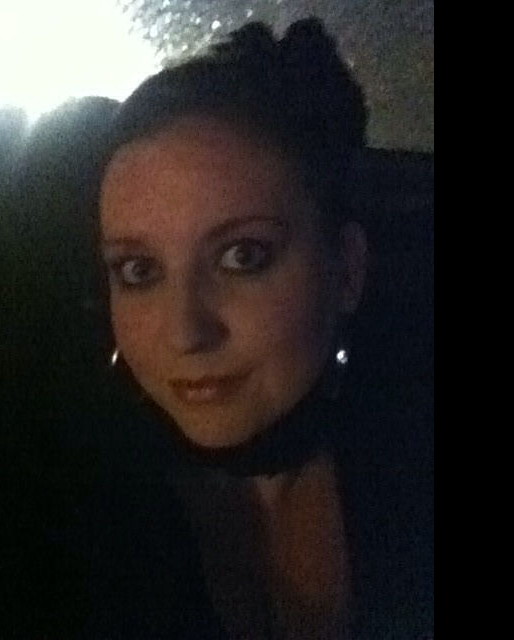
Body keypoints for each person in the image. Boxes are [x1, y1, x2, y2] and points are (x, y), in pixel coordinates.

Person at [91, 18, 432, 640]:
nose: (185, 333)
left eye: (242, 256)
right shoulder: (46, 524)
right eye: (139, 271)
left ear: (346, 271)